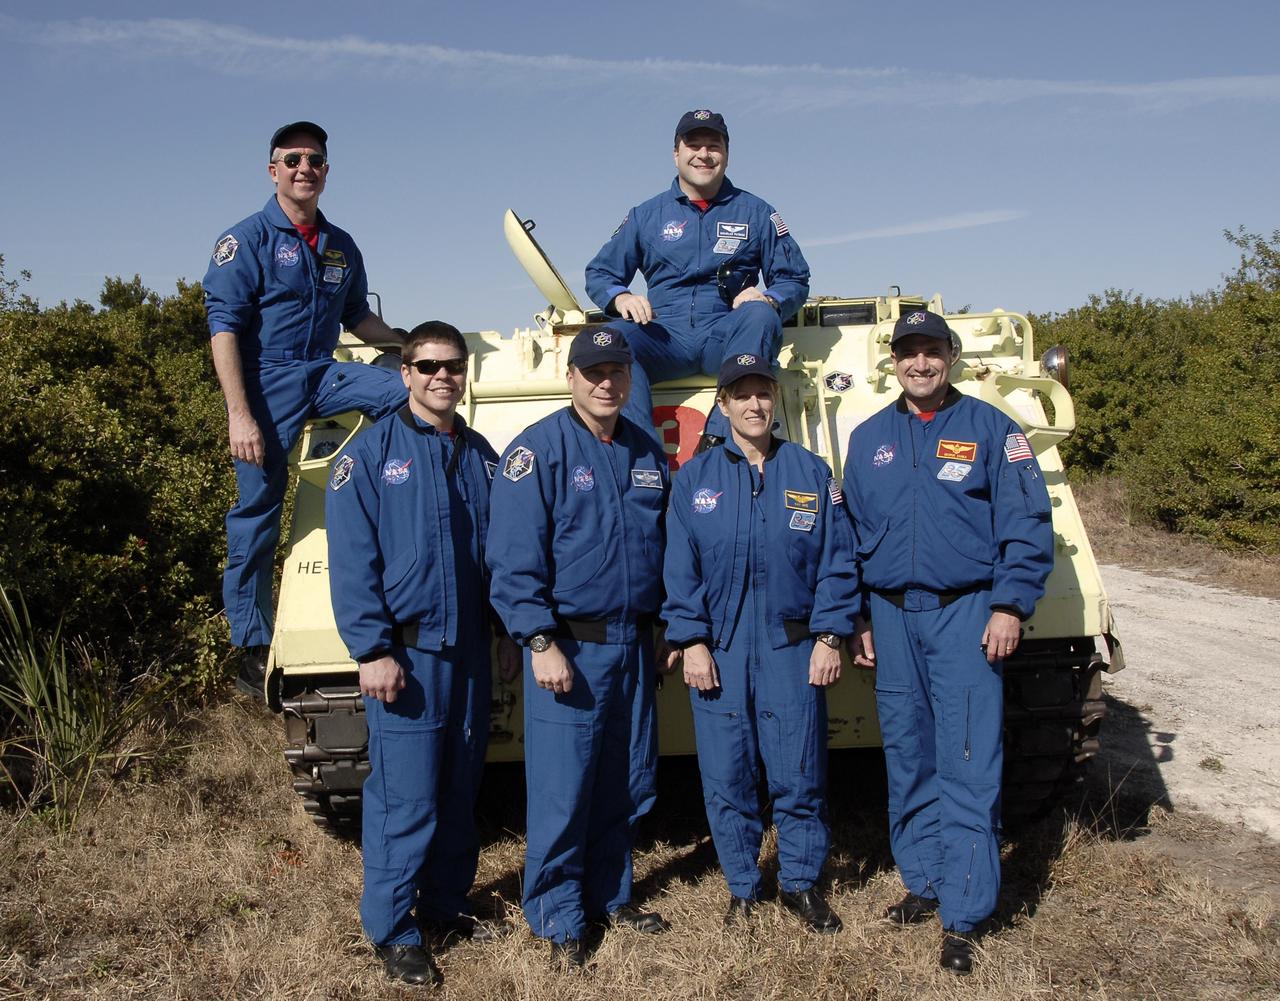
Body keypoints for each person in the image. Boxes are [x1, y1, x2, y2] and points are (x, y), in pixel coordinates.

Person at [841, 310, 1054, 974]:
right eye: (909, 353)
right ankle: (924, 877)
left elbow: (1027, 523)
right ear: (894, 362)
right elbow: (850, 534)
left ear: (951, 356)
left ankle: (963, 912)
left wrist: (1010, 604)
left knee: (966, 757)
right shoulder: (868, 436)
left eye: (932, 352)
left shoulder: (992, 429)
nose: (920, 364)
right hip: (890, 614)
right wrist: (858, 617)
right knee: (908, 755)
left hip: (966, 611)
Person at [325, 321, 520, 987]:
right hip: (406, 656)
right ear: (404, 372)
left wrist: (502, 633)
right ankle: (392, 926)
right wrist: (373, 647)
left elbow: (498, 555)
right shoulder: (368, 455)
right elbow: (352, 562)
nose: (444, 376)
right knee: (404, 799)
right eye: (429, 365)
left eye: (454, 366)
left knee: (458, 790)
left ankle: (444, 904)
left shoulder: (482, 454)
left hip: (467, 648)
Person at [485, 325, 673, 969]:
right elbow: (512, 561)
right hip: (570, 645)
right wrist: (538, 639)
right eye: (593, 371)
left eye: (616, 371)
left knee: (626, 780)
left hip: (634, 644)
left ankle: (609, 894)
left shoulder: (647, 451)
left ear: (628, 377)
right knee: (565, 790)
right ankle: (558, 914)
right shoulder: (538, 452)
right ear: (570, 377)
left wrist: (671, 625)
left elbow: (668, 549)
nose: (605, 382)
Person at [203, 120, 407, 699]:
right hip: (266, 380)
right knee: (258, 511)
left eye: (314, 160)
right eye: (292, 159)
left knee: (406, 397)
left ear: (325, 171)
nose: (304, 168)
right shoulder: (246, 240)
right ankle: (251, 642)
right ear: (274, 170)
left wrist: (404, 348)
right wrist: (238, 414)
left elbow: (357, 320)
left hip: (322, 369)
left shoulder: (340, 243)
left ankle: (369, 489)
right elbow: (223, 330)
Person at [662, 354, 858, 932]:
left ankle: (800, 882)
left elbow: (838, 563)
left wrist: (829, 634)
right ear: (721, 405)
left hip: (791, 644)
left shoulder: (810, 471)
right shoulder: (695, 479)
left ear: (775, 401)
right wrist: (691, 640)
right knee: (727, 776)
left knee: (798, 772)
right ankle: (743, 886)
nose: (754, 405)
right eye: (741, 395)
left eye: (762, 394)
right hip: (719, 647)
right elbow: (679, 569)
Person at [584, 110, 810, 444]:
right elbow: (600, 272)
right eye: (693, 145)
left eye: (713, 146)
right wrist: (621, 297)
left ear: (726, 155)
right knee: (613, 339)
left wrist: (769, 299)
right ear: (677, 154)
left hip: (726, 335)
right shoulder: (646, 215)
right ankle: (637, 451)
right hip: (664, 335)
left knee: (761, 314)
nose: (703, 154)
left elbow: (794, 279)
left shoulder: (757, 213)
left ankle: (720, 440)